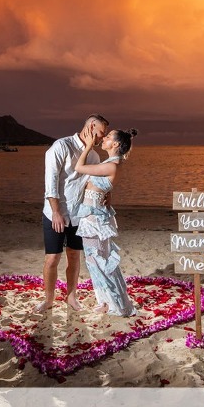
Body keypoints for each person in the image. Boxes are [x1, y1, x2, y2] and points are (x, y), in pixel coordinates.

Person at [36, 114, 110, 313]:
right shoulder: (61, 146)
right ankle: (48, 299)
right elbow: (50, 183)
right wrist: (56, 212)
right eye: (101, 133)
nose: (102, 139)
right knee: (52, 258)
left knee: (74, 256)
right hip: (56, 213)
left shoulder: (93, 156)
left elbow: (89, 186)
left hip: (79, 214)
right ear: (91, 126)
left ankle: (71, 297)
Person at [74, 126, 138, 316]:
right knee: (98, 259)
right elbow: (104, 185)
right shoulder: (113, 162)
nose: (104, 138)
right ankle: (106, 300)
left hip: (94, 218)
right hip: (96, 214)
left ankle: (111, 302)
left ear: (116, 144)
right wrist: (108, 194)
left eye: (108, 136)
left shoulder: (111, 165)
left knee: (96, 260)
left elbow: (79, 167)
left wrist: (86, 147)